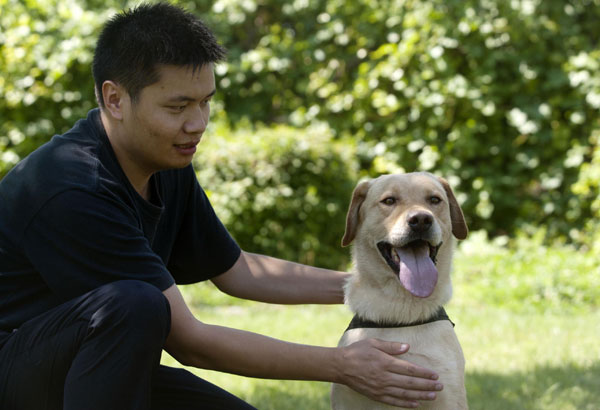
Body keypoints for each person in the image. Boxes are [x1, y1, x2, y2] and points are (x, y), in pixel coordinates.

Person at [0, 2, 443, 409]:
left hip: (92, 370)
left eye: (205, 103)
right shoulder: (72, 187)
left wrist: (382, 280)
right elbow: (190, 341)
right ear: (115, 99)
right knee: (136, 303)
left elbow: (237, 271)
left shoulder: (163, 161)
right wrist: (342, 364)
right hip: (15, 372)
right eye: (178, 107)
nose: (197, 124)